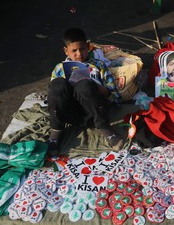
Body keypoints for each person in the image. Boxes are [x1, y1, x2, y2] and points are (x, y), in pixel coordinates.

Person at [47, 28, 124, 156]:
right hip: (70, 113)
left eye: (82, 49)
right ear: (66, 51)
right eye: (74, 51)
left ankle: (104, 128)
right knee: (57, 84)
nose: (79, 54)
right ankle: (56, 133)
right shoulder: (59, 68)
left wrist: (94, 86)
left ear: (88, 47)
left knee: (84, 85)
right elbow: (54, 97)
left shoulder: (98, 65)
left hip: (93, 112)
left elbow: (113, 94)